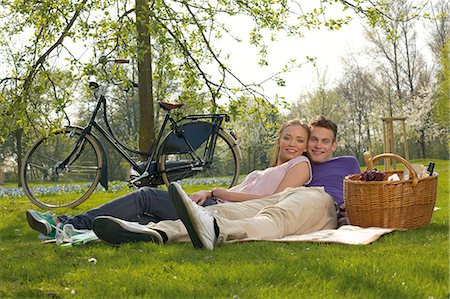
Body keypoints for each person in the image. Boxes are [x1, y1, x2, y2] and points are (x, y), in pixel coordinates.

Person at [92, 115, 361, 248]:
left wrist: (351, 213)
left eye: (324, 141)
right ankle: (158, 231)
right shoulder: (299, 165)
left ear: (334, 145)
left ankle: (217, 231)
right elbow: (270, 192)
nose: (317, 146)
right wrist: (215, 193)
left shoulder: (345, 163)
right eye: (312, 140)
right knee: (219, 211)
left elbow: (370, 189)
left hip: (318, 202)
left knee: (272, 217)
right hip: (288, 197)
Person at [26, 119, 313, 241]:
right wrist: (207, 191)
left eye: (299, 140)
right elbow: (243, 190)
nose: (292, 143)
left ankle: (66, 223)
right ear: (279, 138)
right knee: (143, 214)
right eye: (288, 136)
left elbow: (270, 201)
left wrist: (217, 192)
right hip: (213, 202)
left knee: (146, 196)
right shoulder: (269, 168)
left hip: (219, 210)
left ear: (304, 146)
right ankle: (69, 230)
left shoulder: (301, 164)